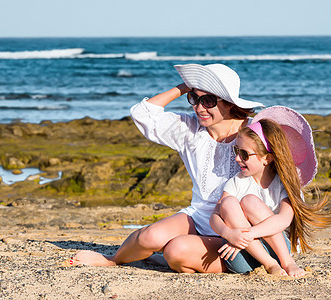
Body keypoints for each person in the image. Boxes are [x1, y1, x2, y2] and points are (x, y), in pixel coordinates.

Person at [67, 63, 264, 272]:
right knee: (150, 236)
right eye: (194, 99)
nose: (199, 108)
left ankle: (176, 259)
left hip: (240, 229)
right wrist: (185, 87)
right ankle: (114, 259)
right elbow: (142, 114)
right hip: (199, 216)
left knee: (175, 251)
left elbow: (279, 187)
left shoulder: (253, 133)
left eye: (208, 101)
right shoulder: (189, 129)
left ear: (229, 103)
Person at [210, 106, 331, 277]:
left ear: (267, 158)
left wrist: (247, 234)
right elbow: (214, 216)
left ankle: (288, 263)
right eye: (236, 151)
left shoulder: (283, 184)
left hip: (278, 250)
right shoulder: (237, 181)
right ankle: (270, 265)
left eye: (244, 154)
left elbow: (283, 220)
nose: (237, 158)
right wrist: (228, 233)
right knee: (228, 203)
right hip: (242, 255)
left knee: (249, 201)